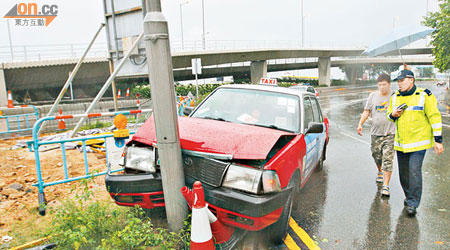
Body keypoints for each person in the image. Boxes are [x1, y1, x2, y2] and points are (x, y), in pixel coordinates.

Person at [387, 69, 444, 216]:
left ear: (411, 80)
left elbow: (434, 117)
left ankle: (413, 203)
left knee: (414, 171)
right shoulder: (395, 97)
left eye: (402, 80)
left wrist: (438, 140)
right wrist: (393, 115)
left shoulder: (424, 95)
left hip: (419, 143)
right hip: (401, 144)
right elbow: (389, 114)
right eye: (398, 81)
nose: (399, 84)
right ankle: (409, 195)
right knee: (403, 175)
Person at [357, 73, 395, 196]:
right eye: (379, 85)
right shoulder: (372, 96)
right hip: (375, 133)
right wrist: (360, 124)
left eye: (384, 84)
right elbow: (366, 111)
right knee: (376, 155)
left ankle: (386, 185)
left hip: (390, 133)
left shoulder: (395, 96)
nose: (382, 87)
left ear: (389, 84)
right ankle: (379, 171)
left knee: (388, 159)